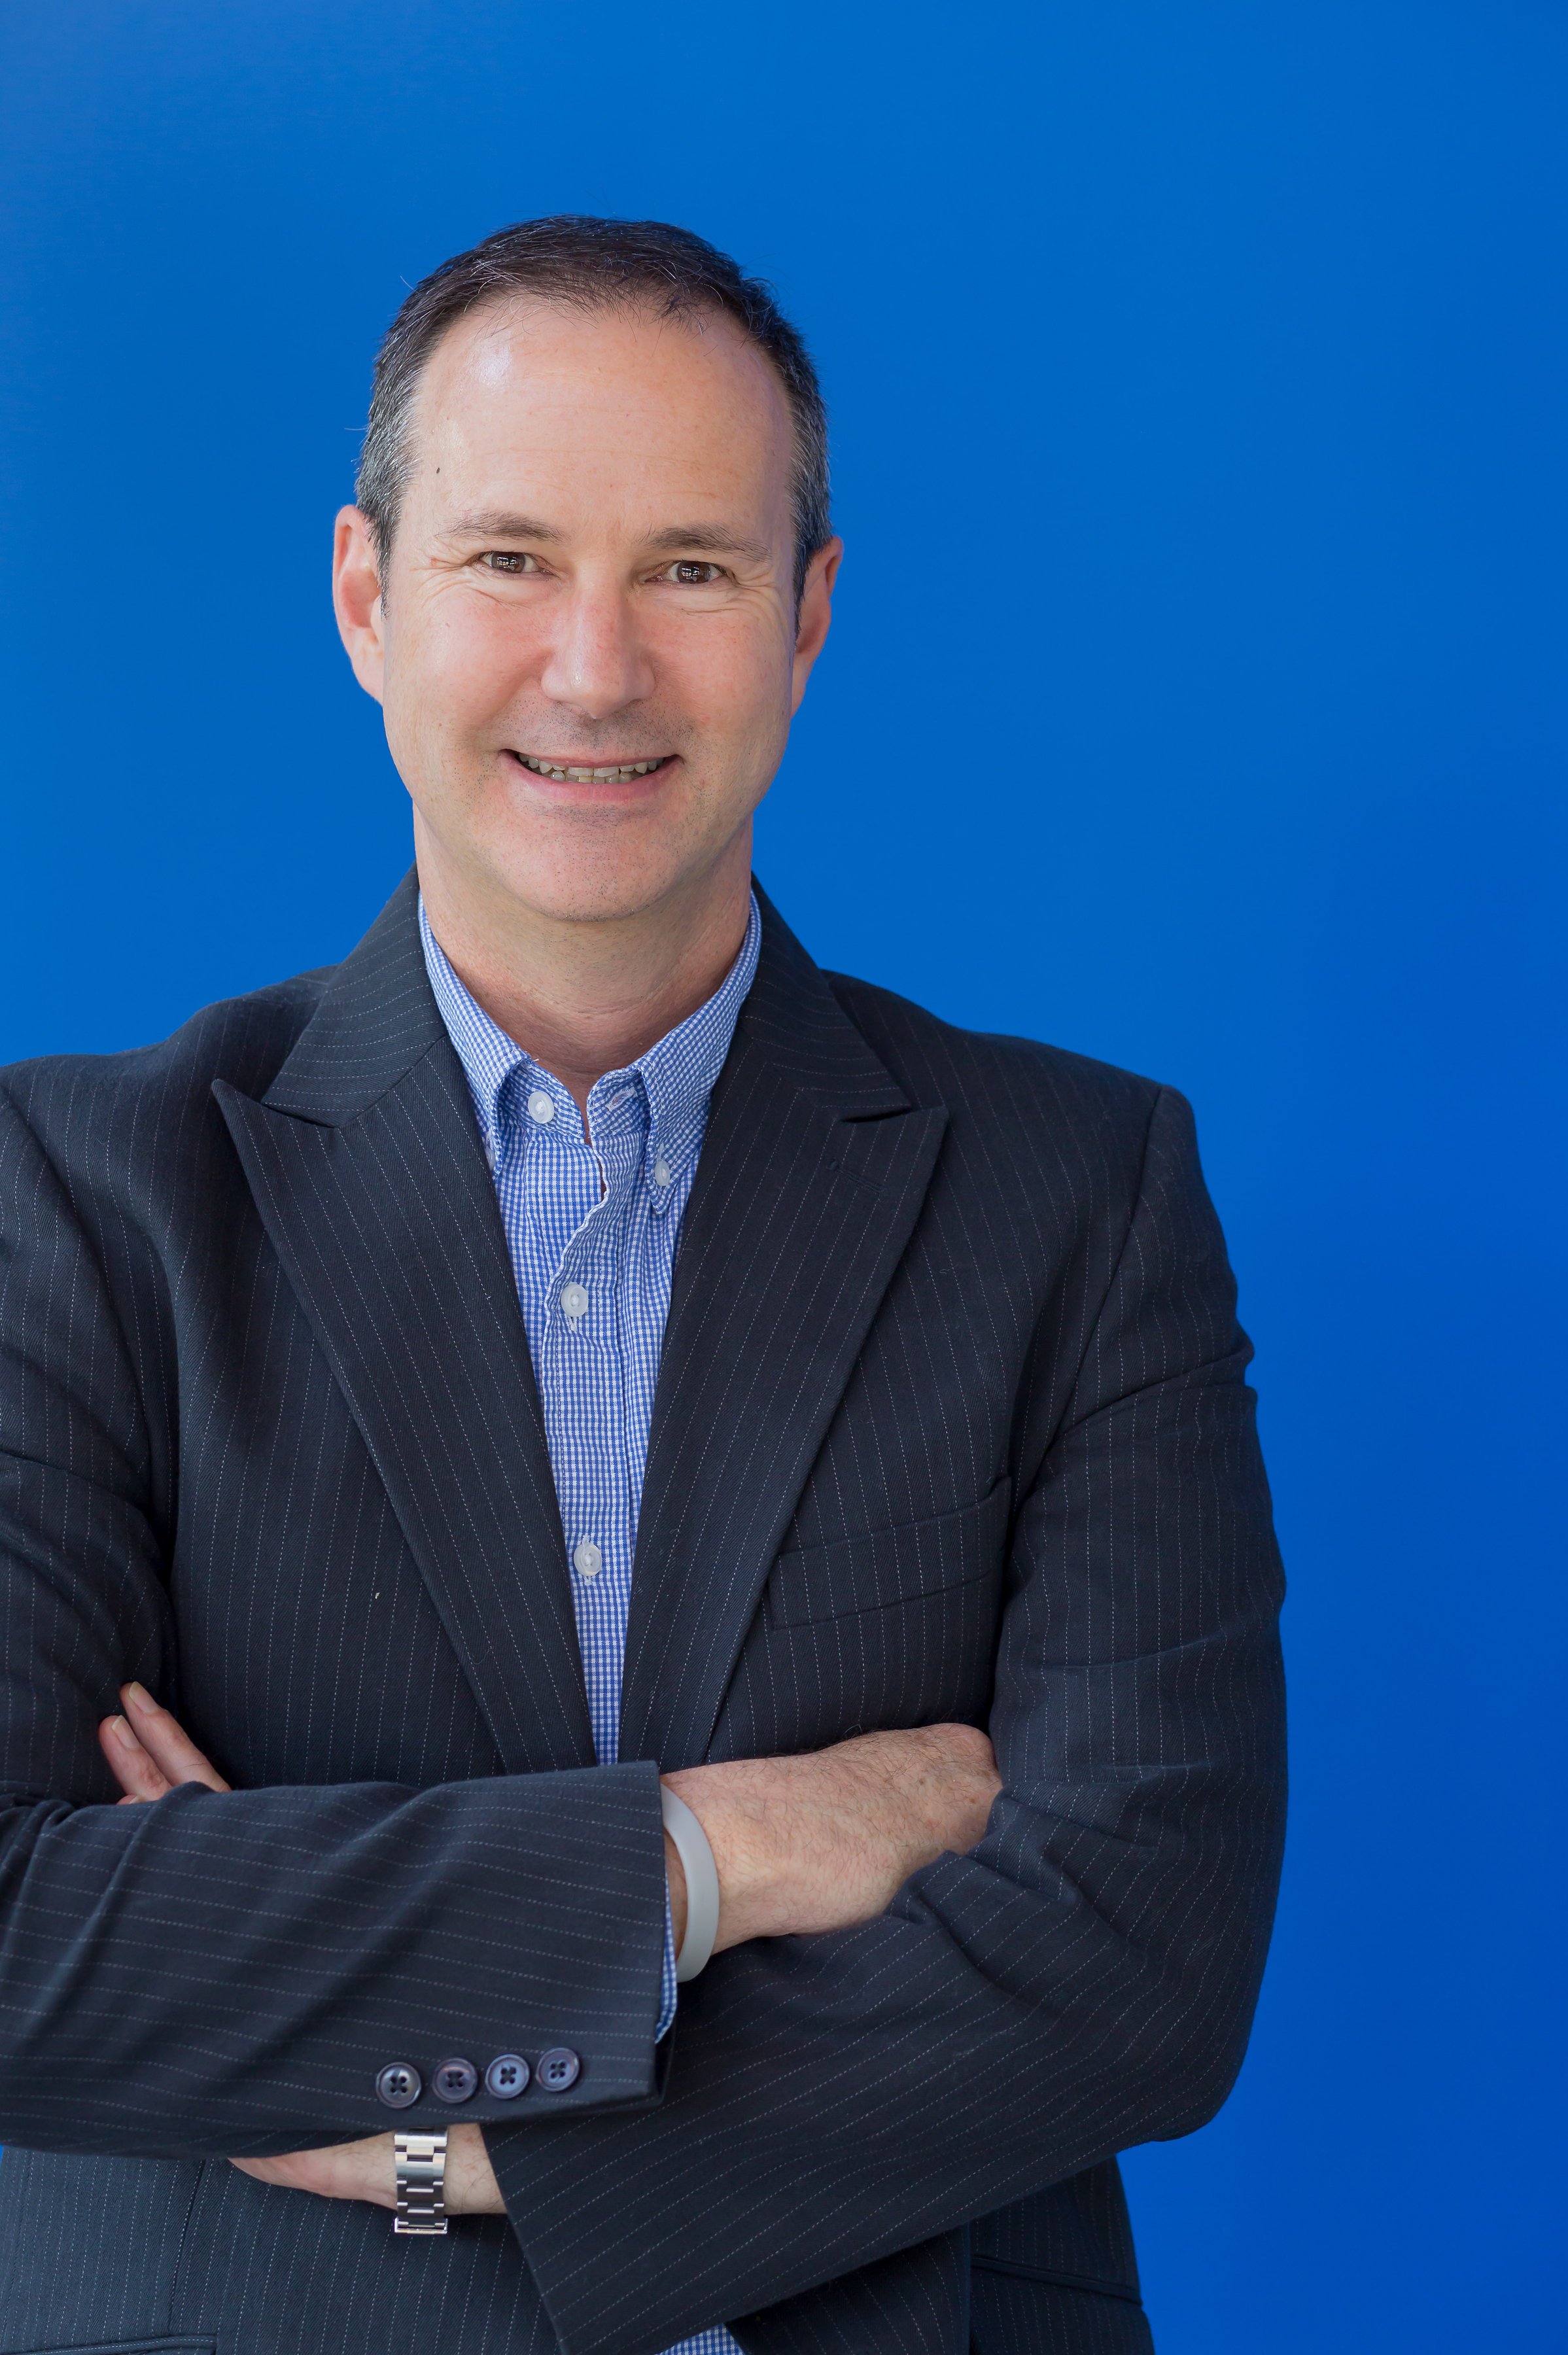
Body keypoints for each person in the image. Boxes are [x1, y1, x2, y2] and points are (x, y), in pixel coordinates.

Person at [0, 217, 1286, 2355]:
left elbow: (1147, 1958)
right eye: (510, 559)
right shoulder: (71, 1195)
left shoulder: (1079, 1192)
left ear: (807, 618)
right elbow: (19, 1946)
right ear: (366, 600)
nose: (594, 668)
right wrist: (720, 1850)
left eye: (689, 568)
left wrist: (490, 2146)